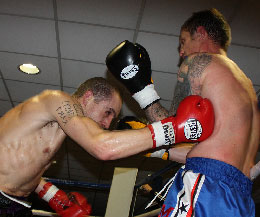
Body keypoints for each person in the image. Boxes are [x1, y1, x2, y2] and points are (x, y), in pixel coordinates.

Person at [106, 8, 260, 217]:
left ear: (201, 32)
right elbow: (209, 145)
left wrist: (142, 91)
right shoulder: (247, 86)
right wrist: (157, 152)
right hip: (241, 196)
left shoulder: (198, 62)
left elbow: (176, 129)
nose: (181, 51)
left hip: (206, 183)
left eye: (183, 41)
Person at [0, 76, 214, 216]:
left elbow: (23, 164)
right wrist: (171, 129)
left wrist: (53, 195)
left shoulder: (53, 130)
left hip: (17, 203)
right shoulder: (58, 100)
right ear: (88, 97)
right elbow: (102, 147)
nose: (107, 123)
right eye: (108, 112)